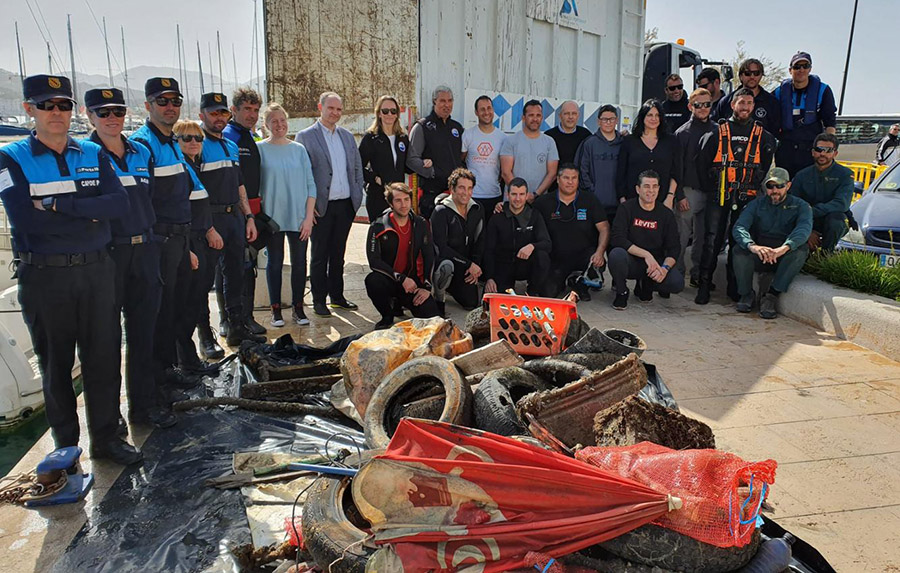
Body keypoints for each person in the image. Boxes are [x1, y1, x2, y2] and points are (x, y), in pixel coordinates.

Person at [0, 75, 138, 464]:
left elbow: (119, 205)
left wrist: (62, 206)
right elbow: (25, 219)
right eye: (47, 106)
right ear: (29, 109)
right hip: (46, 277)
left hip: (96, 272)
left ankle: (108, 439)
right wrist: (89, 214)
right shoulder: (10, 157)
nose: (56, 113)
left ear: (73, 110)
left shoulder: (91, 152)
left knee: (105, 358)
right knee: (57, 365)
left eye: (63, 105)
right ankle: (66, 450)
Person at [84, 87, 175, 430]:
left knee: (143, 336)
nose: (112, 119)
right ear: (89, 115)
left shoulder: (140, 152)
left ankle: (143, 406)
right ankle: (109, 421)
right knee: (105, 344)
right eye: (103, 113)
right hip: (109, 256)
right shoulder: (86, 155)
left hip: (145, 251)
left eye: (118, 112)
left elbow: (149, 199)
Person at [131, 78, 205, 394]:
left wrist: (185, 245)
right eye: (162, 102)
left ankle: (171, 369)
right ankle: (157, 385)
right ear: (148, 105)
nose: (170, 107)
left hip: (178, 240)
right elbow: (142, 203)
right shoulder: (142, 143)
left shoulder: (172, 142)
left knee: (176, 309)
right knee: (158, 316)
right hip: (158, 242)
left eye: (175, 101)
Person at [695, 88, 777, 305]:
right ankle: (703, 285)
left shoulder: (764, 137)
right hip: (719, 195)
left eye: (750, 103)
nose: (745, 107)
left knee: (740, 242)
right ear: (732, 104)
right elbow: (702, 166)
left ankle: (736, 288)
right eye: (741, 102)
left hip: (747, 196)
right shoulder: (715, 133)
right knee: (712, 240)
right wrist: (713, 189)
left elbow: (765, 166)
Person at [196, 92, 262, 347]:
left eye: (222, 113)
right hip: (210, 219)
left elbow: (240, 185)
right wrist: (206, 226)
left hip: (234, 216)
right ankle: (205, 336)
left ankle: (237, 327)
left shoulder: (230, 145)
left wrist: (248, 217)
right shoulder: (196, 143)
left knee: (235, 274)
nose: (219, 118)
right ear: (202, 115)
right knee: (204, 282)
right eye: (213, 113)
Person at [296, 91, 364, 317]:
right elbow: (301, 173)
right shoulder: (306, 137)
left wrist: (356, 197)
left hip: (345, 205)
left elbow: (356, 168)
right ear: (320, 107)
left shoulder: (346, 136)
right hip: (320, 207)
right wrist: (308, 206)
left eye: (338, 109)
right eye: (330, 108)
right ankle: (318, 300)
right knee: (319, 255)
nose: (335, 113)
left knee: (338, 254)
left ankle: (337, 297)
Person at [258, 103, 317, 326]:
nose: (279, 125)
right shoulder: (260, 149)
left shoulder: (298, 149)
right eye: (274, 121)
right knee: (274, 262)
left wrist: (309, 217)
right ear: (266, 125)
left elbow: (311, 185)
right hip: (272, 218)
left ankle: (298, 309)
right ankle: (276, 310)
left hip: (299, 217)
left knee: (300, 262)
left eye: (282, 120)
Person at [732, 167, 812, 319]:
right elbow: (740, 227)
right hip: (761, 253)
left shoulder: (802, 206)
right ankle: (746, 294)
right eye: (770, 186)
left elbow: (803, 230)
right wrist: (753, 246)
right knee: (739, 251)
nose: (774, 190)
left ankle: (771, 297)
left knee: (801, 250)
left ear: (788, 186)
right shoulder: (756, 204)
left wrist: (783, 249)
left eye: (779, 186)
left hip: (782, 255)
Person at [172, 120, 221, 365]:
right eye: (186, 138)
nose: (193, 142)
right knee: (186, 305)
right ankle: (186, 361)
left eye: (198, 138)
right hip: (190, 242)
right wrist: (187, 250)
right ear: (176, 141)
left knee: (198, 296)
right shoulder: (179, 168)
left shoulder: (193, 165)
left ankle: (191, 357)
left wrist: (210, 229)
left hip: (202, 238)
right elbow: (179, 212)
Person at [222, 87, 265, 337]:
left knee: (247, 267)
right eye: (247, 109)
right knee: (234, 269)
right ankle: (232, 320)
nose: (252, 114)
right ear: (234, 110)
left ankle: (245, 317)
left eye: (255, 110)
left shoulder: (249, 136)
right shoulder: (230, 136)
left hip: (251, 212)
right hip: (236, 214)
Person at [365, 182, 439, 329]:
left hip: (413, 283)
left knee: (431, 317)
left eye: (406, 199)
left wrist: (426, 286)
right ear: (390, 203)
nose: (403, 204)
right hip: (391, 279)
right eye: (398, 200)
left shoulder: (420, 223)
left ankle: (401, 303)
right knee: (372, 281)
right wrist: (400, 277)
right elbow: (374, 261)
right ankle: (387, 315)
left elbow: (429, 254)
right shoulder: (378, 225)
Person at [609, 170, 684, 309]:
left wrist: (664, 269)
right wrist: (646, 254)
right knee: (616, 255)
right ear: (638, 189)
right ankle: (622, 291)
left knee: (676, 283)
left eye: (654, 186)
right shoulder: (626, 208)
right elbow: (617, 239)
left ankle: (646, 284)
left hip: (655, 264)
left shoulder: (666, 214)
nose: (651, 190)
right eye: (646, 186)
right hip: (631, 261)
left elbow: (674, 247)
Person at [534, 163, 610, 300]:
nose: (570, 182)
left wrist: (600, 252)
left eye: (574, 178)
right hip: (556, 259)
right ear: (557, 179)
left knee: (594, 267)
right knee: (548, 293)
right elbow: (524, 214)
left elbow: (604, 228)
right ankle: (565, 281)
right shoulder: (544, 202)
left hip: (584, 257)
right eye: (566, 178)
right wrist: (503, 207)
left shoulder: (590, 200)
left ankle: (581, 283)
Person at [674, 88, 717, 288]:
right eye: (698, 104)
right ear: (691, 106)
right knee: (682, 237)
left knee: (704, 236)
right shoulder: (682, 133)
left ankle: (698, 274)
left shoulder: (718, 130)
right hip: (689, 191)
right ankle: (677, 274)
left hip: (711, 192)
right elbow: (676, 167)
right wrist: (679, 194)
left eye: (707, 104)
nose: (703, 108)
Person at [482, 178, 551, 296]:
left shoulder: (534, 215)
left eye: (521, 194)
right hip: (504, 266)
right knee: (497, 302)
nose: (517, 198)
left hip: (525, 265)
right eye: (514, 194)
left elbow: (547, 243)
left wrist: (532, 246)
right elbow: (489, 250)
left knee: (542, 256)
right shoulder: (497, 217)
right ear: (508, 195)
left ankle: (533, 291)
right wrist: (490, 277)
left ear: (527, 196)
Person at [773, 52, 837, 177]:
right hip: (786, 149)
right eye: (797, 67)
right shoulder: (779, 92)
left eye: (805, 66)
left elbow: (830, 119)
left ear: (810, 69)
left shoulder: (823, 90)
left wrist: (828, 148)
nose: (801, 70)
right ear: (790, 70)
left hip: (810, 149)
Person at [431, 168, 485, 314]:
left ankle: (450, 287)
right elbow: (441, 247)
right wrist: (469, 264)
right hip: (446, 262)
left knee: (471, 302)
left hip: (465, 266)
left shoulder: (477, 208)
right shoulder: (441, 211)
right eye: (461, 187)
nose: (465, 192)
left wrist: (475, 266)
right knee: (445, 266)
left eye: (469, 188)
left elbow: (480, 240)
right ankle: (439, 295)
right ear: (452, 189)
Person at [407, 85, 464, 218]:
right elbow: (411, 159)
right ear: (434, 102)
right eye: (442, 101)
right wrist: (432, 172)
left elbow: (462, 157)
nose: (447, 105)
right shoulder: (422, 127)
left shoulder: (457, 128)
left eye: (450, 101)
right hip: (432, 195)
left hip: (455, 194)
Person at [789, 133, 853, 252]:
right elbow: (793, 203)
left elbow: (841, 204)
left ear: (835, 153)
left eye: (828, 150)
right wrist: (807, 231)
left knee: (837, 221)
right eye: (819, 149)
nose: (822, 153)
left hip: (830, 218)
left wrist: (811, 211)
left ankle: (826, 256)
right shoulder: (801, 175)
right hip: (806, 219)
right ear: (813, 152)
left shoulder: (845, 174)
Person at [616, 99, 681, 209]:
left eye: (657, 115)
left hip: (663, 202)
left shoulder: (671, 141)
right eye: (650, 115)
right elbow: (621, 173)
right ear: (642, 117)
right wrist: (623, 199)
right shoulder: (629, 141)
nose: (654, 119)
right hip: (633, 202)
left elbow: (676, 172)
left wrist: (670, 197)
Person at [359, 95, 410, 222]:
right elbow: (358, 166)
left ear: (397, 114)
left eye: (393, 111)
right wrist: (375, 178)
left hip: (398, 197)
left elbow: (408, 165)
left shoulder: (403, 138)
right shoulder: (370, 138)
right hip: (378, 196)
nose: (389, 114)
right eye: (385, 111)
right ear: (379, 113)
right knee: (379, 234)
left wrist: (425, 161)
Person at [500, 99, 559, 202]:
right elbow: (506, 172)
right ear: (523, 118)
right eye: (531, 115)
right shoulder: (511, 141)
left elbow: (552, 173)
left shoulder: (549, 142)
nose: (535, 119)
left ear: (542, 118)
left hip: (540, 201)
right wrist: (521, 195)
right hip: (514, 201)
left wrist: (535, 194)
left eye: (538, 115)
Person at [574, 104, 623, 224]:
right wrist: (592, 191)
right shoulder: (589, 143)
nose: (608, 122)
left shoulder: (624, 143)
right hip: (595, 204)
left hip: (619, 205)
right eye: (604, 119)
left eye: (612, 119)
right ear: (598, 121)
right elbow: (581, 170)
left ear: (616, 121)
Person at [461, 95, 505, 219]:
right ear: (476, 112)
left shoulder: (503, 138)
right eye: (482, 109)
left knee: (493, 235)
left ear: (493, 110)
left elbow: (504, 166)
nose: (486, 112)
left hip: (495, 195)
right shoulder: (468, 135)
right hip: (473, 196)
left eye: (489, 108)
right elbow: (462, 159)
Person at [713, 59, 781, 134]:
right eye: (747, 73)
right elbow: (716, 128)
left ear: (761, 75)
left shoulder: (771, 102)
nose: (752, 76)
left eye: (756, 73)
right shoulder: (726, 101)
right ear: (741, 76)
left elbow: (775, 133)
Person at [545, 100, 592, 167]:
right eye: (566, 113)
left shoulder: (586, 135)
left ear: (578, 116)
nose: (570, 117)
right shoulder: (549, 136)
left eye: (574, 113)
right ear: (560, 116)